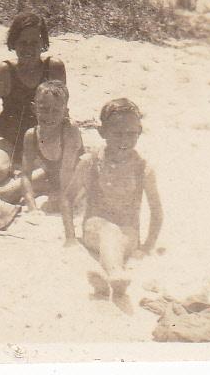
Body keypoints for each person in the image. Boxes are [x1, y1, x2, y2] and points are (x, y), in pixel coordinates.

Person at [64, 98, 163, 299]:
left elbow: (156, 211)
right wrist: (70, 238)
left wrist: (147, 246)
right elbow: (68, 198)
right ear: (103, 133)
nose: (124, 140)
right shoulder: (91, 162)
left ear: (139, 132)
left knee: (117, 235)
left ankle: (107, 276)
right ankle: (115, 274)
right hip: (94, 228)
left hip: (128, 233)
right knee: (108, 231)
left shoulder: (142, 167)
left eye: (131, 134)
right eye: (117, 134)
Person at [0, 12, 66, 184]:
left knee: (56, 175)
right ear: (13, 43)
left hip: (40, 138)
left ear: (43, 43)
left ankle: (18, 167)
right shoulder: (5, 71)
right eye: (23, 43)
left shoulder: (54, 68)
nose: (28, 48)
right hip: (6, 136)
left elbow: (62, 112)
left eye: (34, 43)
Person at [0, 80, 83, 226]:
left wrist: (63, 197)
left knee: (57, 203)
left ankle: (56, 192)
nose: (49, 116)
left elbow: (68, 169)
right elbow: (26, 174)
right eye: (44, 109)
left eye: (56, 111)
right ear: (34, 108)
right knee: (5, 194)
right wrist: (32, 207)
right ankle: (50, 190)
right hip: (51, 175)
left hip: (76, 177)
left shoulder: (69, 129)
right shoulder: (31, 135)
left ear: (65, 112)